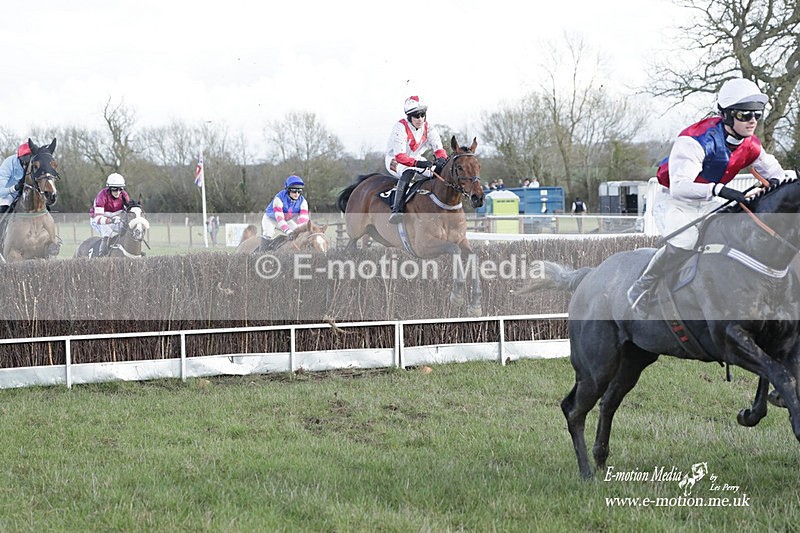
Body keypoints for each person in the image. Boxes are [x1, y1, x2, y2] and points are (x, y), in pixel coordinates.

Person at [627, 77, 786, 314]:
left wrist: (776, 183)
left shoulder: (751, 144)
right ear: (727, 115)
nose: (752, 120)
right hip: (674, 199)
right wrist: (718, 189)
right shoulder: (695, 140)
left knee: (737, 233)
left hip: (708, 200)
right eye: (745, 114)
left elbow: (777, 173)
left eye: (757, 114)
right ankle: (642, 286)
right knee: (686, 242)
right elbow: (681, 186)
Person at [385, 95, 448, 224]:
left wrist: (441, 159)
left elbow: (439, 149)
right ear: (409, 117)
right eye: (416, 116)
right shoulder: (400, 127)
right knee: (408, 172)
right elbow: (400, 156)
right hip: (395, 160)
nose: (420, 119)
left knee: (439, 171)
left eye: (422, 115)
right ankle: (397, 210)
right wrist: (418, 163)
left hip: (415, 159)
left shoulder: (429, 128)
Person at [259, 175, 309, 251]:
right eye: (294, 191)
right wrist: (288, 231)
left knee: (299, 234)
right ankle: (260, 253)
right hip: (270, 219)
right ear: (288, 190)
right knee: (268, 233)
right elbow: (280, 219)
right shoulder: (278, 199)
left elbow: (303, 220)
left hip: (286, 220)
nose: (297, 194)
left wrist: (302, 231)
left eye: (299, 191)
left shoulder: (303, 202)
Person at [90, 172, 131, 257]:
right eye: (115, 189)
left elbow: (128, 212)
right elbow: (98, 219)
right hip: (98, 219)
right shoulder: (102, 196)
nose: (118, 192)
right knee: (108, 233)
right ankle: (102, 256)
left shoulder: (124, 195)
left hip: (114, 219)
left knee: (127, 230)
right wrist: (111, 220)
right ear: (109, 188)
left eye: (120, 189)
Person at [0, 142, 33, 214]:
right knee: (4, 207)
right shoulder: (9, 163)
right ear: (19, 158)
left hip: (26, 194)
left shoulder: (36, 164)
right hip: (8, 195)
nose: (27, 164)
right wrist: (14, 188)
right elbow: (1, 191)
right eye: (25, 159)